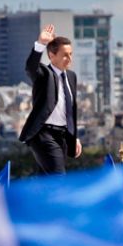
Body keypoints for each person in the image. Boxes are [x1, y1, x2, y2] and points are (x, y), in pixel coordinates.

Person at [19, 24, 81, 174]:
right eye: (65, 55)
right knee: (58, 177)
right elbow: (30, 67)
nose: (69, 58)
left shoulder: (71, 76)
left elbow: (68, 110)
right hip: (43, 134)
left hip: (62, 136)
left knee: (46, 181)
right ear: (52, 56)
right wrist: (40, 44)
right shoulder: (44, 74)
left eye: (71, 54)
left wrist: (74, 138)